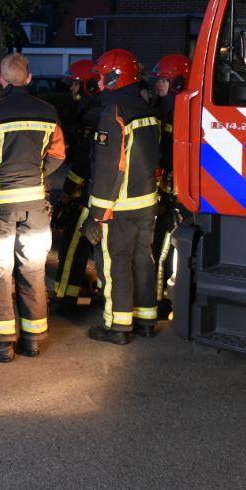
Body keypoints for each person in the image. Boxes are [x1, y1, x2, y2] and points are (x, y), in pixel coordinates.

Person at [0, 53, 67, 363]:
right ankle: (34, 339)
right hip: (36, 205)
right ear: (29, 78)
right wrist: (39, 173)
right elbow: (58, 154)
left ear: (1, 80)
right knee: (33, 269)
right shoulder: (48, 112)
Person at [81, 49, 162, 345]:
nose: (100, 83)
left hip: (120, 207)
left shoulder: (113, 112)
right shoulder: (148, 110)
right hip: (147, 204)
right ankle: (146, 320)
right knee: (143, 262)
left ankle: (117, 327)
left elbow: (108, 166)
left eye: (103, 77)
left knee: (116, 265)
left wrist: (97, 214)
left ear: (116, 78)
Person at [52, 58, 101, 310]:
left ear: (88, 85)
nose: (71, 89)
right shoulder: (96, 110)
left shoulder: (92, 116)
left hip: (88, 193)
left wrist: (66, 194)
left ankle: (65, 298)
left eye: (75, 84)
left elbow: (82, 164)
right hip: (100, 190)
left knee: (73, 245)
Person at [149, 53, 190, 312]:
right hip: (166, 189)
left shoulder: (179, 113)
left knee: (164, 247)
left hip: (175, 194)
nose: (158, 84)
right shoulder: (166, 108)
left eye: (163, 80)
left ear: (177, 83)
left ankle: (158, 300)